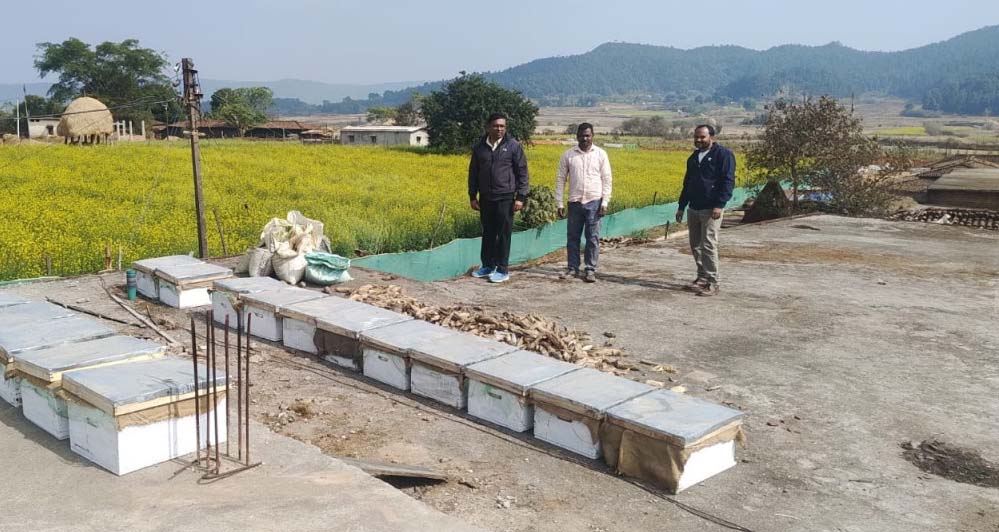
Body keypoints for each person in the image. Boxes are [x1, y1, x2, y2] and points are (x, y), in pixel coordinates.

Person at [468, 113, 530, 283]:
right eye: (496, 126)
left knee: (503, 234)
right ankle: (488, 266)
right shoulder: (480, 147)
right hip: (486, 197)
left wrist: (521, 197)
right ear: (488, 127)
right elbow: (473, 172)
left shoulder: (513, 146)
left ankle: (502, 269)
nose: (499, 129)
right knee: (488, 232)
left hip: (506, 197)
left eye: (502, 126)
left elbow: (522, 172)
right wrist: (472, 196)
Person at [675, 124, 735, 296]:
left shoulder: (723, 155)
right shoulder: (693, 158)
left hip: (711, 208)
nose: (698, 140)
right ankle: (702, 277)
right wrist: (681, 206)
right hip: (694, 207)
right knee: (695, 245)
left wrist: (720, 204)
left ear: (712, 137)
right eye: (696, 137)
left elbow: (728, 181)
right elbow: (687, 183)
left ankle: (713, 282)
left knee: (708, 244)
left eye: (702, 137)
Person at [555, 123, 612, 283]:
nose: (584, 138)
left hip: (594, 202)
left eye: (587, 135)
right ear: (577, 136)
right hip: (574, 202)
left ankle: (590, 269)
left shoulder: (600, 154)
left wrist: (605, 202)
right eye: (581, 135)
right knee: (573, 237)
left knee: (592, 238)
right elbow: (560, 179)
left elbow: (607, 179)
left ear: (593, 136)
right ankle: (572, 268)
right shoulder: (568, 155)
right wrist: (559, 203)